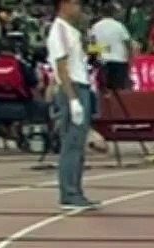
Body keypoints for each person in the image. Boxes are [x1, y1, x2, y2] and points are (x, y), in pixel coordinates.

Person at [47, 0, 96, 211]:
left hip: (82, 85)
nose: (79, 9)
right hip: (72, 88)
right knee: (72, 143)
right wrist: (73, 99)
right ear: (64, 4)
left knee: (79, 144)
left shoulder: (72, 31)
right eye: (75, 4)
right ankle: (69, 193)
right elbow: (62, 67)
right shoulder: (58, 30)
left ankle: (76, 190)